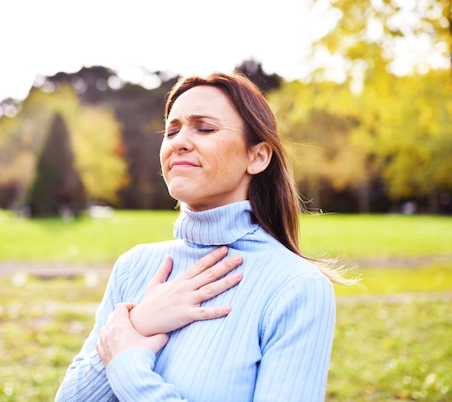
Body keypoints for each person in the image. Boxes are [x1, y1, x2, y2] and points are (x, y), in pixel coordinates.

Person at [54, 71, 351, 402]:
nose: (179, 141)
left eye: (205, 128)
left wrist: (129, 370)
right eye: (172, 130)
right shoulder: (133, 266)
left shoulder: (297, 287)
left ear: (257, 156)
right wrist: (139, 320)